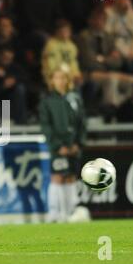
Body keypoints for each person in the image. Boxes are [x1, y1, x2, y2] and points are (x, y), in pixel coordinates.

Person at [39, 69, 86, 223]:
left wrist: (78, 143)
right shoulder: (47, 102)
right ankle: (55, 214)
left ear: (67, 80)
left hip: (73, 146)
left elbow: (81, 123)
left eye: (63, 77)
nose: (60, 81)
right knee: (57, 177)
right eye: (57, 77)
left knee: (71, 177)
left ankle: (70, 213)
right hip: (58, 148)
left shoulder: (75, 99)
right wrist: (57, 145)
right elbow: (46, 127)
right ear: (52, 81)